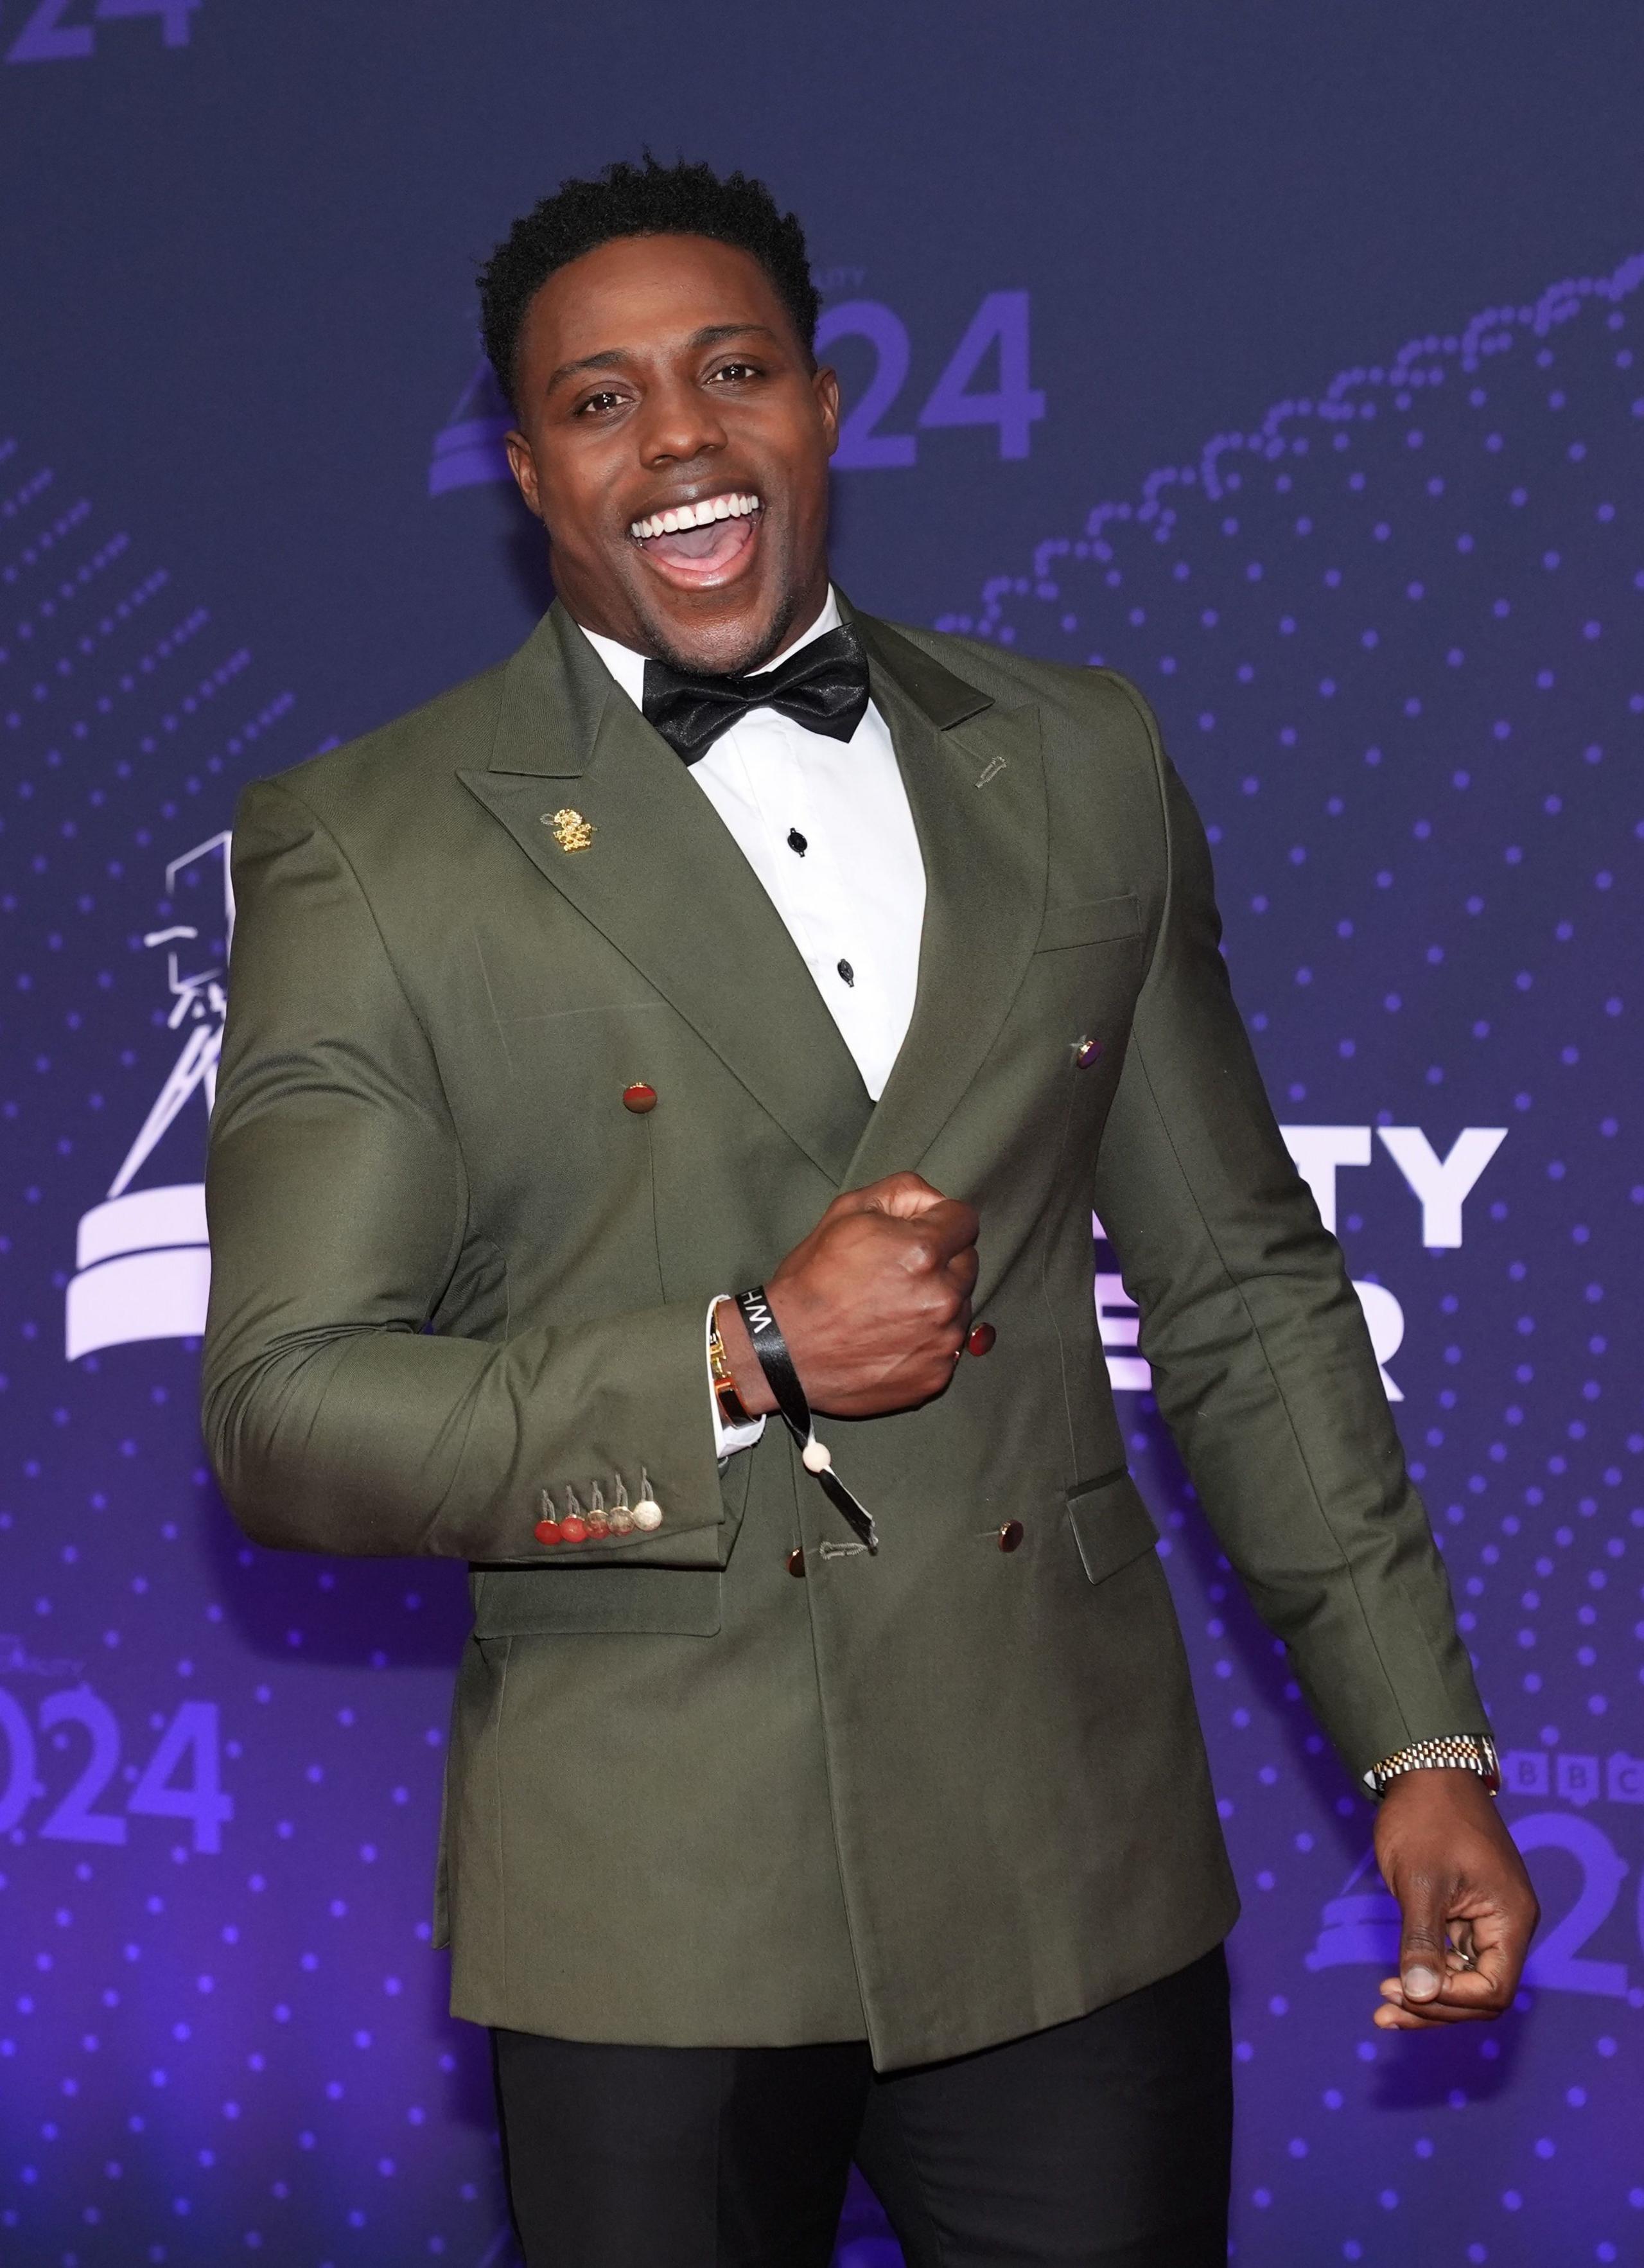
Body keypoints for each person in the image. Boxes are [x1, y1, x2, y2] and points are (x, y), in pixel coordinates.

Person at [201, 157, 1537, 2268]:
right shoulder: (372, 853)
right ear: (530, 469)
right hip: (647, 1912)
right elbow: (286, 1414)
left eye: (730, 371)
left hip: (1066, 1882)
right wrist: (741, 1358)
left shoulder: (1084, 758)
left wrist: (1422, 1739)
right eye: (600, 400)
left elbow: (1249, 1298)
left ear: (825, 405)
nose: (679, 441)